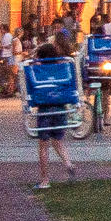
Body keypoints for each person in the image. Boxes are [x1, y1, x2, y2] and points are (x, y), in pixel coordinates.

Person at [21, 40, 81, 190]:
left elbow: (29, 86)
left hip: (44, 108)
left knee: (43, 145)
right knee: (58, 140)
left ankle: (45, 180)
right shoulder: (63, 67)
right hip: (60, 106)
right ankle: (68, 163)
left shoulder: (36, 70)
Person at [79, 17, 111, 135]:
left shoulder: (105, 41)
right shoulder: (93, 41)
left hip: (98, 71)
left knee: (103, 92)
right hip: (97, 71)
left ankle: (103, 116)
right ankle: (100, 115)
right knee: (104, 93)